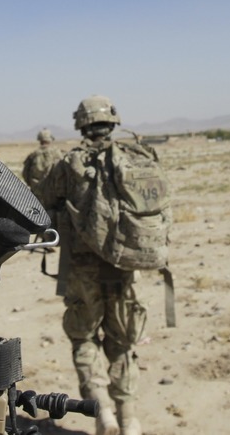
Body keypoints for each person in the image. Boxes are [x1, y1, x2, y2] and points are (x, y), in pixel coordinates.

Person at [39, 96, 172, 435]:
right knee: (122, 343)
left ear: (81, 123)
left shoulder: (70, 163)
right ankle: (129, 419)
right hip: (125, 267)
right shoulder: (135, 157)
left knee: (83, 338)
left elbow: (44, 208)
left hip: (81, 269)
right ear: (113, 122)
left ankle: (102, 412)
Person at [21, 128, 63, 199]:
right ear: (50, 139)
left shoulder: (33, 155)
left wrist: (32, 184)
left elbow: (25, 173)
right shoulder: (57, 153)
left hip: (36, 190)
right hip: (53, 192)